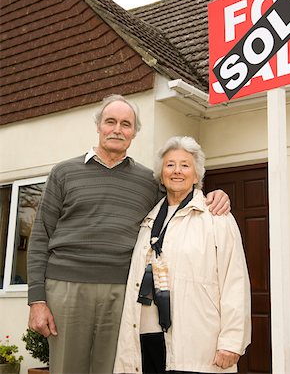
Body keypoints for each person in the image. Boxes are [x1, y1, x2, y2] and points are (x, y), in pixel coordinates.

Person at [27, 95, 231, 374]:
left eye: (126, 124)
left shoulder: (148, 181)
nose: (117, 129)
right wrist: (37, 300)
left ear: (134, 133)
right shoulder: (64, 173)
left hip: (123, 292)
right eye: (110, 122)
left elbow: (179, 198)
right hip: (66, 287)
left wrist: (214, 196)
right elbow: (40, 237)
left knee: (115, 368)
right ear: (98, 126)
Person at [114, 136, 251, 374]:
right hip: (148, 336)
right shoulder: (148, 222)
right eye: (170, 165)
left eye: (185, 165)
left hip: (197, 340)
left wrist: (232, 341)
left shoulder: (216, 217)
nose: (177, 171)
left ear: (197, 175)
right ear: (161, 175)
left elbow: (235, 281)